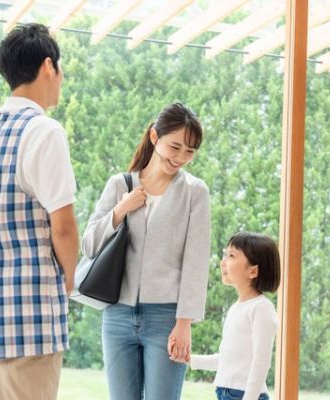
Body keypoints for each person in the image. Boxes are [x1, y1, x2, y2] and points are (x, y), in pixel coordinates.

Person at [0, 23, 79, 400]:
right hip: (26, 313)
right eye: (60, 69)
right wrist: (71, 279)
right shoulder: (44, 131)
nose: (60, 79)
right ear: (48, 66)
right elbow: (62, 226)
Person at [82, 102, 210, 400]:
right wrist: (121, 209)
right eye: (174, 146)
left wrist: (184, 323)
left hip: (166, 319)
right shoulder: (119, 184)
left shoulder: (195, 193)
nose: (180, 158)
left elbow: (196, 260)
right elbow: (89, 245)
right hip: (117, 315)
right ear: (155, 137)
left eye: (189, 152)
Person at [182, 232, 281, 400]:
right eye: (225, 254)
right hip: (225, 393)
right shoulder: (236, 308)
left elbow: (261, 364)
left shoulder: (261, 308)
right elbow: (228, 360)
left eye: (231, 255)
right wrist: (191, 359)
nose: (223, 262)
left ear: (253, 271)